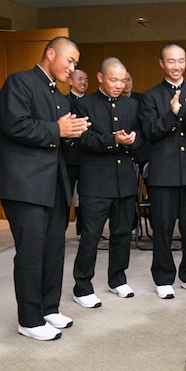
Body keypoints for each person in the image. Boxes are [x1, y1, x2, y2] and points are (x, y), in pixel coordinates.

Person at [0, 37, 89, 341]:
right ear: (50, 54)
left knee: (53, 250)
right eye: (69, 60)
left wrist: (72, 133)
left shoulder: (58, 95)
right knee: (31, 253)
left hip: (53, 183)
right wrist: (57, 129)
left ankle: (49, 308)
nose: (72, 68)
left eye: (76, 63)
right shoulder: (20, 82)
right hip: (24, 184)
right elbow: (14, 125)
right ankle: (29, 319)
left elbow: (56, 138)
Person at [139, 43, 186, 298]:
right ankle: (162, 277)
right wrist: (173, 115)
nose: (177, 66)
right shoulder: (150, 96)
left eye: (181, 61)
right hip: (163, 173)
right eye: (171, 61)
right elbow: (149, 132)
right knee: (163, 228)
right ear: (162, 64)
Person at [72, 58, 141, 307]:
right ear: (100, 78)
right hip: (96, 182)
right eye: (113, 80)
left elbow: (141, 135)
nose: (118, 85)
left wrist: (134, 139)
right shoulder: (84, 104)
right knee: (91, 235)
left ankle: (118, 279)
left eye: (123, 80)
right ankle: (82, 286)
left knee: (122, 233)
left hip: (124, 180)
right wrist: (113, 140)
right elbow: (84, 139)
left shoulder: (132, 104)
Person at [64, 69, 88, 236]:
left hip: (87, 155)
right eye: (80, 79)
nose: (83, 82)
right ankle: (61, 229)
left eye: (86, 79)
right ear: (71, 81)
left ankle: (84, 231)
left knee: (87, 196)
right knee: (65, 196)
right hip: (69, 156)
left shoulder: (91, 102)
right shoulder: (63, 101)